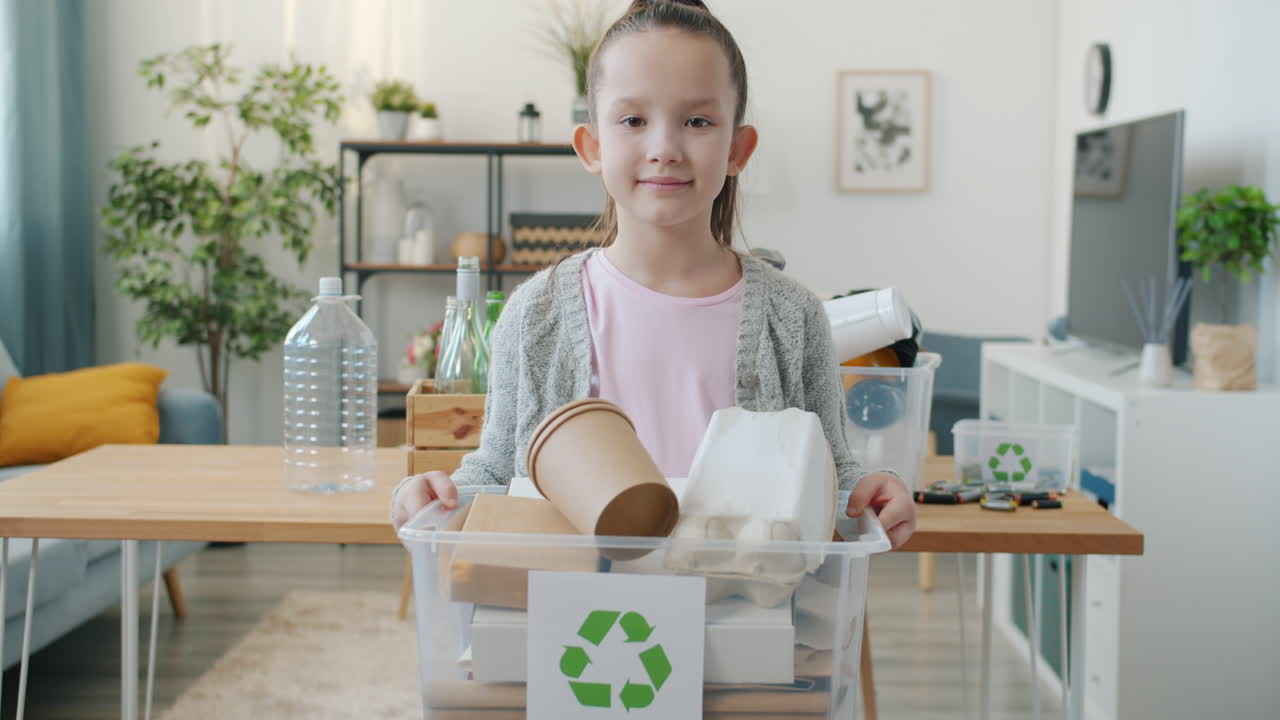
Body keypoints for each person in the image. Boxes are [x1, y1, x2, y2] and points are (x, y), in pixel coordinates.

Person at [391, 0, 916, 548]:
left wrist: (874, 492)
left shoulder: (794, 316)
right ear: (592, 147)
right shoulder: (535, 314)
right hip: (577, 604)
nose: (664, 148)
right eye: (633, 120)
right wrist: (431, 495)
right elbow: (496, 472)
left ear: (738, 149)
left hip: (743, 602)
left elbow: (831, 474)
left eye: (697, 121)